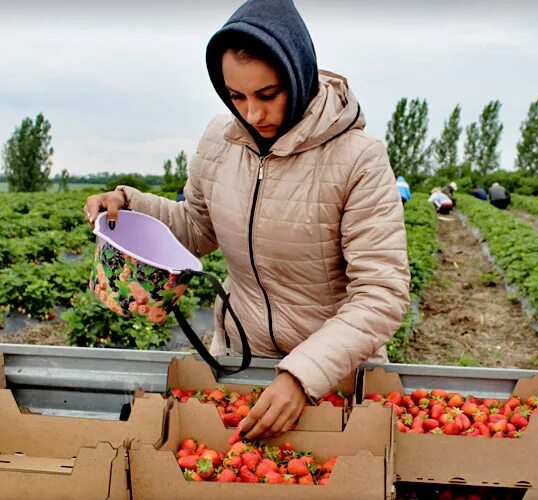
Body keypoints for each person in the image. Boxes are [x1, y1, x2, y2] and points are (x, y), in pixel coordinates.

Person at [84, 0, 409, 440]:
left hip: (334, 378)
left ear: (299, 74)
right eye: (237, 97)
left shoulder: (357, 160)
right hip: (243, 363)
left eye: (267, 95)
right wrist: (128, 204)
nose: (253, 114)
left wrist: (302, 376)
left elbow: (381, 293)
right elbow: (197, 229)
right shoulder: (221, 142)